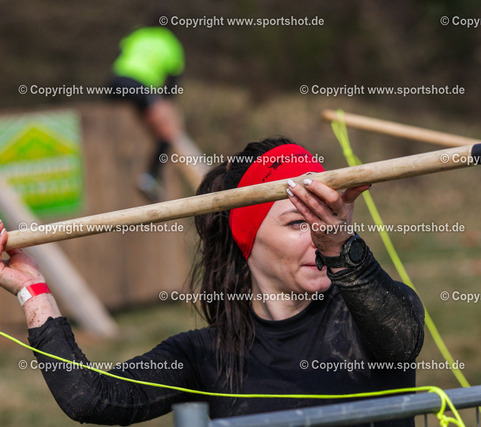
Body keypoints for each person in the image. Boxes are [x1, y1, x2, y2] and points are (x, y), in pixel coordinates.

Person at [0, 138, 425, 425]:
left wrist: (342, 249)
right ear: (248, 238)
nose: (319, 235)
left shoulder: (367, 316)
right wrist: (32, 290)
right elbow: (92, 398)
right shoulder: (205, 353)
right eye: (299, 222)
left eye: (327, 219)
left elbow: (402, 341)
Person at [109, 26, 185, 202]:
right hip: (139, 86)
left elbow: (119, 56)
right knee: (167, 131)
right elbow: (172, 83)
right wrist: (164, 105)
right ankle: (151, 176)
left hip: (115, 83)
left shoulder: (138, 34)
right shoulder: (171, 43)